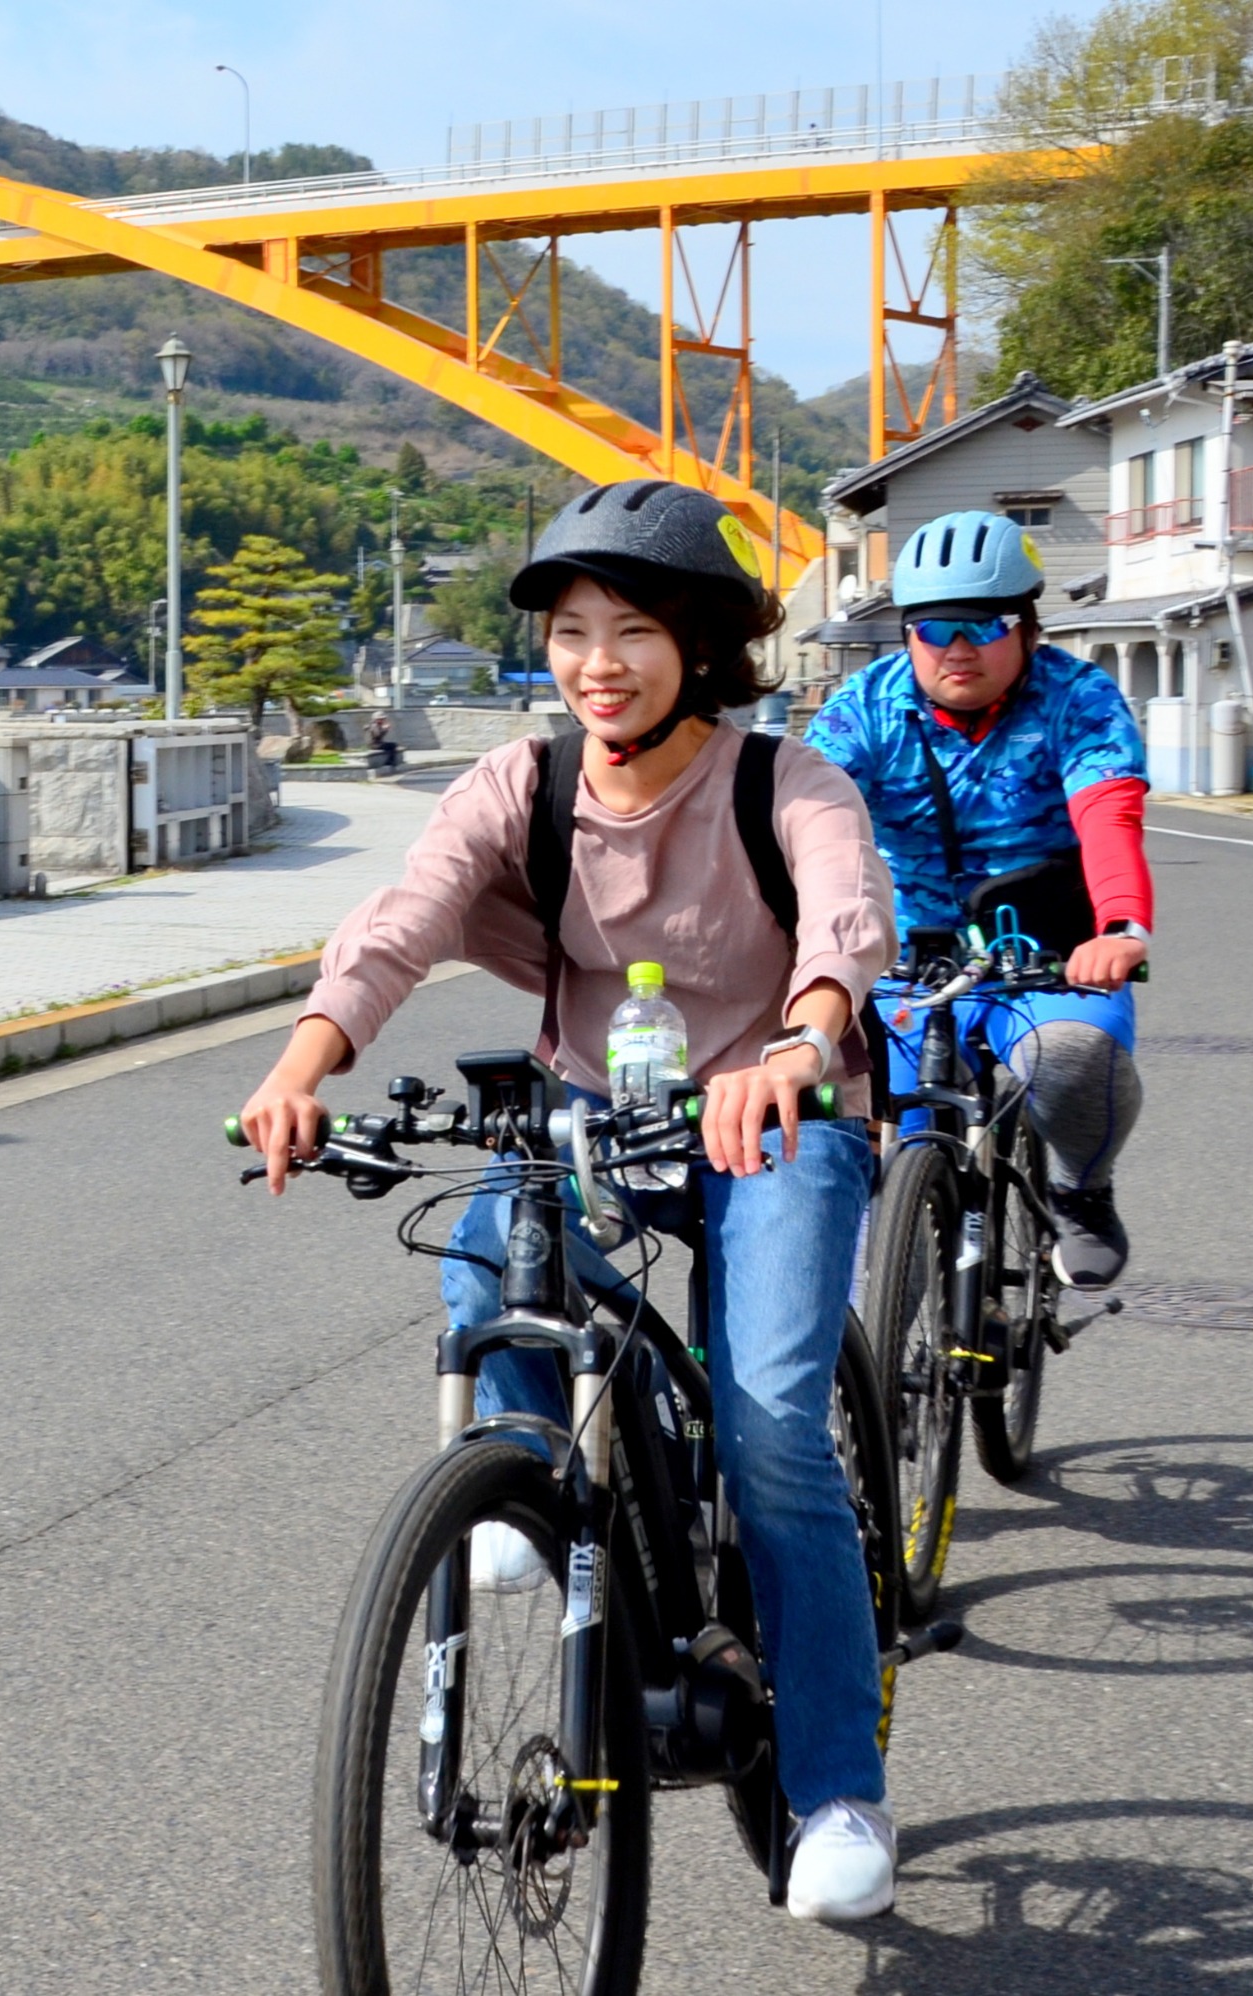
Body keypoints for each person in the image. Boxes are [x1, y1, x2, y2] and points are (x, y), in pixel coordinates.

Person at [240, 478, 903, 1921]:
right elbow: (399, 922)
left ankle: (840, 1789)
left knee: (776, 1423)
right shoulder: (519, 786)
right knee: (493, 1252)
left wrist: (800, 1041)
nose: (596, 661)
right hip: (605, 1110)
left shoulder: (780, 780)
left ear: (703, 648)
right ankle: (528, 1473)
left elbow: (848, 914)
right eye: (572, 630)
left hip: (778, 1116)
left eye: (635, 631)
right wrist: (304, 1063)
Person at [802, 509, 1151, 1288]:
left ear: (1026, 627)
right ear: (908, 636)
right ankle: (882, 1367)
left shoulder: (1078, 699)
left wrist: (1121, 923)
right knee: (871, 1169)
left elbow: (1109, 813)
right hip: (905, 957)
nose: (958, 648)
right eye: (935, 629)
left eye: (984, 624)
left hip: (1050, 951)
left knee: (1070, 1056)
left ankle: (1080, 1191)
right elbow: (804, 821)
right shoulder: (866, 708)